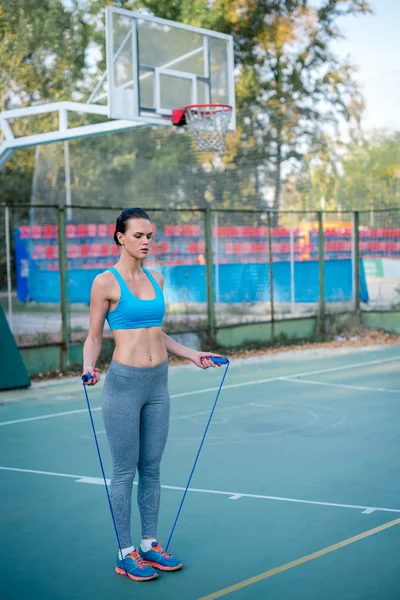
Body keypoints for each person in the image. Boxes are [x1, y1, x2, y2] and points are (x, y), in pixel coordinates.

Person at [82, 207, 223, 582]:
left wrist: (193, 354)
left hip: (158, 384)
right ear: (120, 238)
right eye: (139, 235)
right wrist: (88, 366)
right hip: (124, 385)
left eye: (150, 236)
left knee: (152, 467)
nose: (146, 242)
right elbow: (95, 336)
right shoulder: (105, 283)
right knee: (124, 470)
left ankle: (149, 544)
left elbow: (154, 332)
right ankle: (125, 552)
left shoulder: (156, 278)